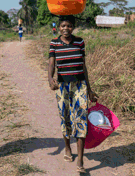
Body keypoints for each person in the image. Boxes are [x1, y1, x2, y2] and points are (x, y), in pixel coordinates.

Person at [48, 15, 97, 173]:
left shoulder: (80, 42)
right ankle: (68, 148)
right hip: (63, 87)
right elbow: (51, 63)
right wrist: (50, 79)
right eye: (63, 26)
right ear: (59, 27)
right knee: (66, 117)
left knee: (81, 120)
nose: (65, 28)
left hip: (80, 86)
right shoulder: (54, 43)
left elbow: (83, 66)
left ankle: (81, 161)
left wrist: (89, 89)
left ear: (73, 27)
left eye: (69, 26)